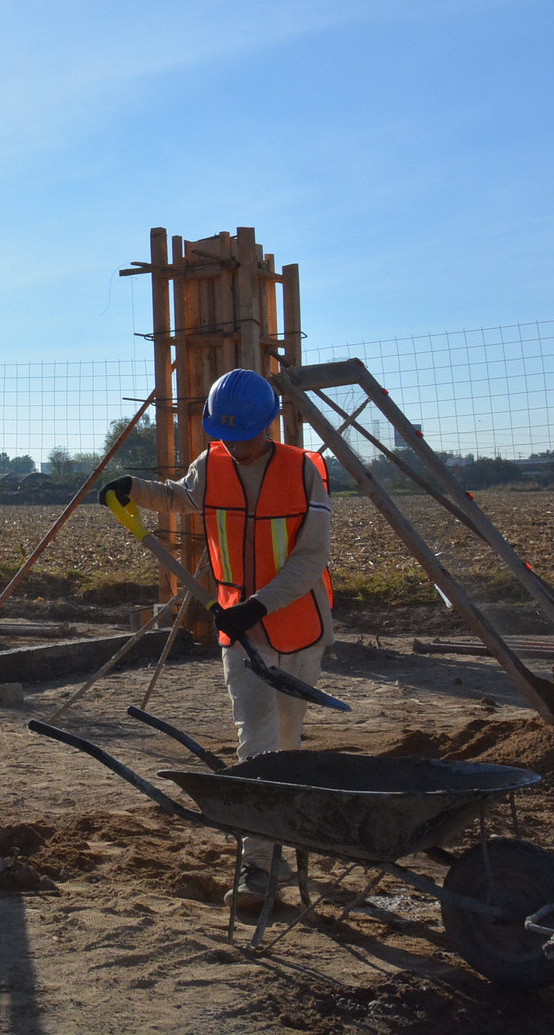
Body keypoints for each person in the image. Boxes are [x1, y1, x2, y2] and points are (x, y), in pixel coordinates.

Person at [100, 368, 335, 904]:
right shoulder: (213, 464)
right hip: (241, 631)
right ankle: (259, 868)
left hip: (297, 625)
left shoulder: (305, 472)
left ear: (269, 424)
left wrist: (258, 604)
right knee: (256, 740)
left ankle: (286, 842)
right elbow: (182, 498)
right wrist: (133, 488)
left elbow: (310, 557)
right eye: (226, 435)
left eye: (246, 434)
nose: (237, 444)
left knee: (287, 740)